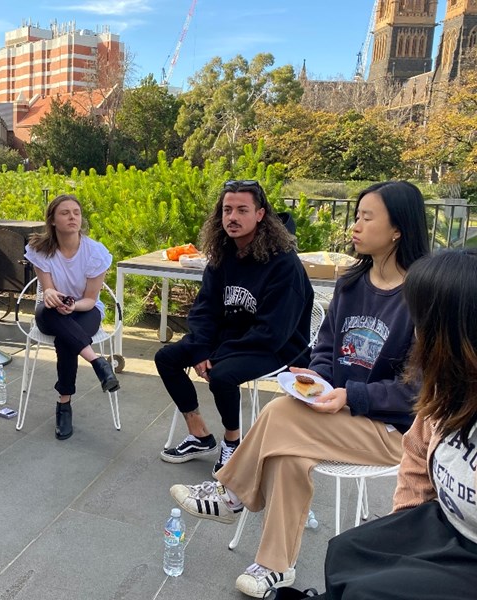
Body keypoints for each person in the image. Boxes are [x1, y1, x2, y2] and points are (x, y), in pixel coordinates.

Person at [169, 180, 430, 597]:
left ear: (397, 229)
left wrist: (352, 396)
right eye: (357, 216)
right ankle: (276, 568)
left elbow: (420, 391)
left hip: (389, 429)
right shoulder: (350, 285)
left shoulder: (423, 298)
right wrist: (318, 380)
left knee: (278, 414)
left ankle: (230, 491)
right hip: (332, 413)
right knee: (289, 457)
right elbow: (324, 347)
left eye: (366, 217)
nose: (355, 227)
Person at [318, 249, 477, 600]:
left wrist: (352, 395)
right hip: (440, 524)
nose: (417, 332)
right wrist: (401, 530)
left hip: (468, 555)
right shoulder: (448, 387)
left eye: (423, 321)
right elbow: (418, 454)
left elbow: (403, 397)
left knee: (368, 592)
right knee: (344, 551)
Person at [156, 179, 313, 472]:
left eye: (242, 210)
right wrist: (203, 347)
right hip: (232, 339)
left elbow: (274, 331)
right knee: (166, 358)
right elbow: (205, 309)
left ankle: (233, 442)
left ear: (260, 215)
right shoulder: (224, 255)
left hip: (279, 348)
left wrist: (216, 356)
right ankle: (199, 434)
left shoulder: (284, 265)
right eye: (227, 210)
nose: (232, 217)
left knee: (222, 376)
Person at [23, 194, 118, 440]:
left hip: (85, 311)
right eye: (65, 213)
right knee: (51, 313)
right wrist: (54, 295)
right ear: (53, 220)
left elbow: (90, 299)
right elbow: (47, 289)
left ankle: (63, 404)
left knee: (65, 340)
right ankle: (98, 362)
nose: (72, 217)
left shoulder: (95, 252)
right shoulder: (40, 250)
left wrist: (72, 306)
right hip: (51, 311)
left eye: (76, 212)